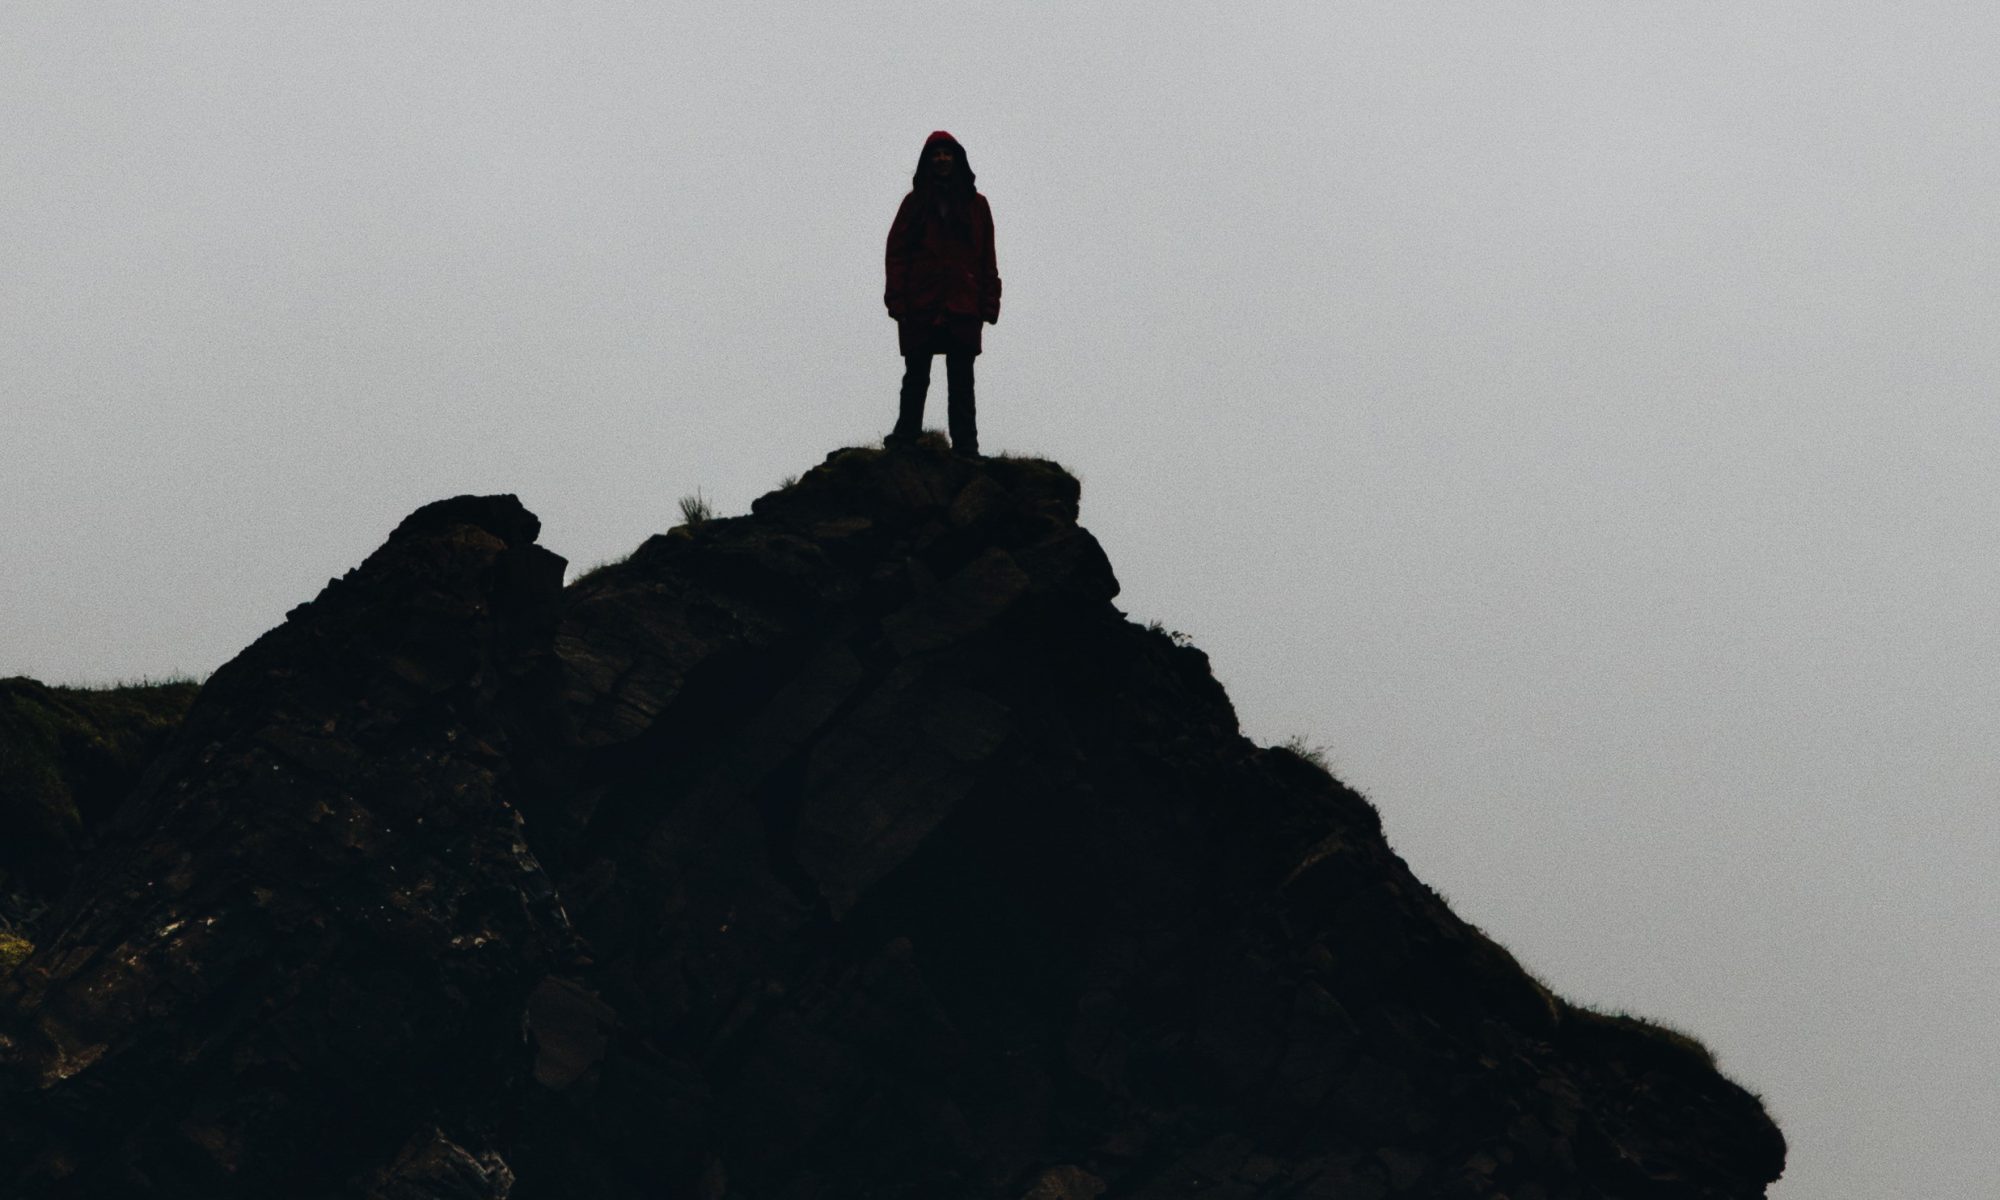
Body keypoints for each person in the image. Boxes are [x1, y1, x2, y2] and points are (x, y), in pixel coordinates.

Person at [883, 131, 1001, 456]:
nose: (942, 159)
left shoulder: (977, 206)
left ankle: (966, 447)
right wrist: (897, 299)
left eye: (947, 154)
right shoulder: (914, 204)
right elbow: (897, 254)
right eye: (936, 155)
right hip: (921, 303)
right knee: (916, 376)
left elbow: (986, 256)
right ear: (927, 161)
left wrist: (988, 303)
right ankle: (905, 437)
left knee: (962, 381)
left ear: (957, 158)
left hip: (963, 304)